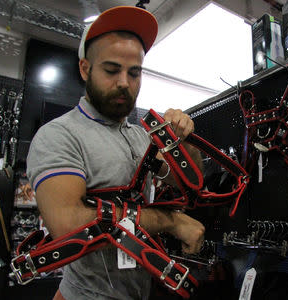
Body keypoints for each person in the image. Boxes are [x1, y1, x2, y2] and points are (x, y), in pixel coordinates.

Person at [26, 6, 205, 300]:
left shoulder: (140, 137)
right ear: (85, 69)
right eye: (111, 70)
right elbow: (69, 223)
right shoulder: (59, 135)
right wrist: (171, 223)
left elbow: (188, 183)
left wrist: (182, 143)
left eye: (134, 72)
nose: (124, 82)